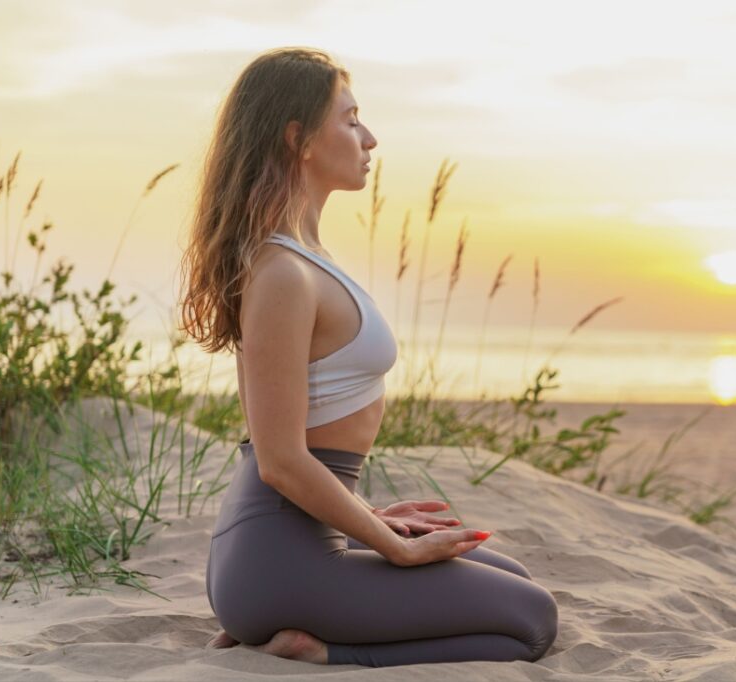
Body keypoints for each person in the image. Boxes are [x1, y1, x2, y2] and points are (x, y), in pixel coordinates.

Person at [178, 47, 558, 667]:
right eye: (352, 120)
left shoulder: (300, 257)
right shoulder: (282, 275)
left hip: (292, 539)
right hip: (280, 555)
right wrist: (390, 544)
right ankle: (319, 648)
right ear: (298, 138)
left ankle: (307, 622)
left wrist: (367, 513)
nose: (370, 138)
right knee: (533, 621)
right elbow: (277, 459)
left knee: (509, 573)